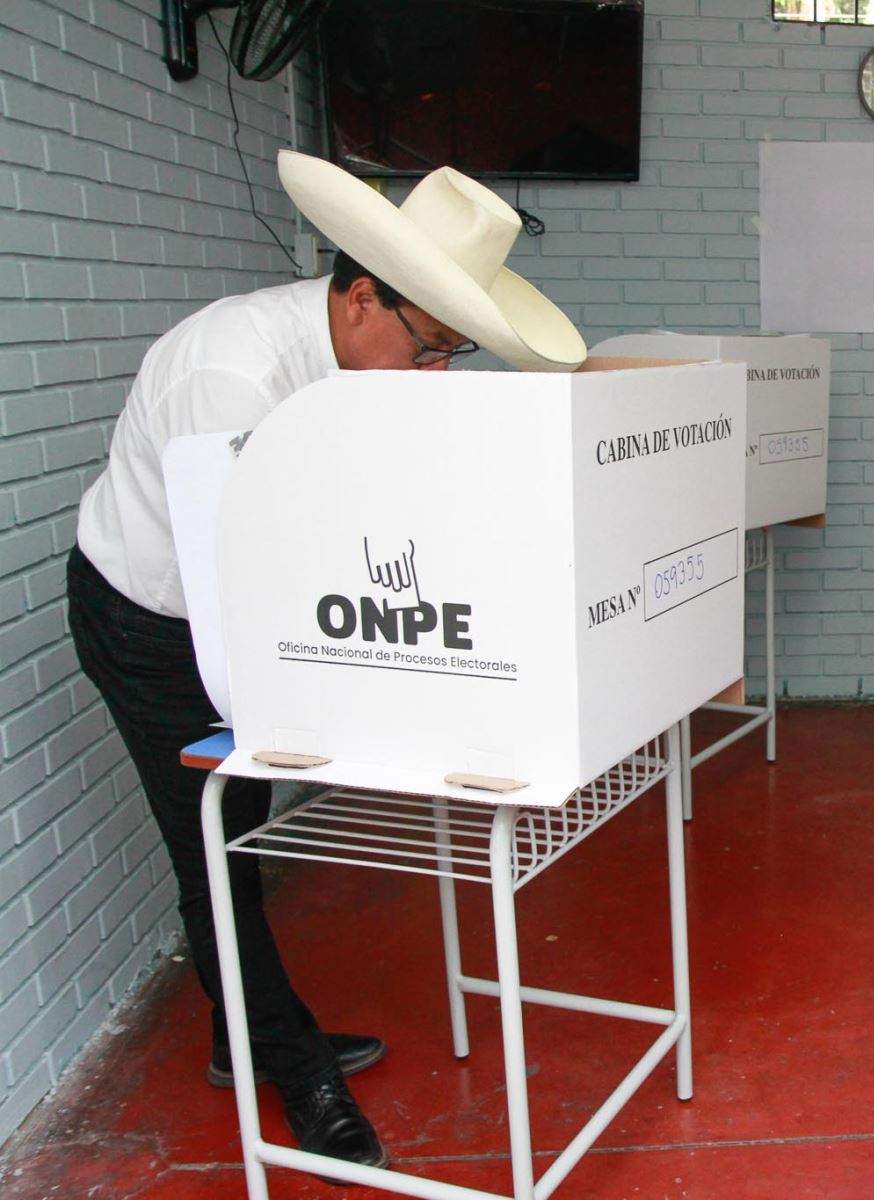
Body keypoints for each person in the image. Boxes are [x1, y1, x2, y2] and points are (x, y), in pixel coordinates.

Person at [65, 151, 585, 1172]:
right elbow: (246, 587)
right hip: (154, 622)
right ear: (359, 299)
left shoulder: (362, 365)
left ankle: (241, 1034)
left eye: (454, 356)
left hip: (242, 601)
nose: (435, 377)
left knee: (239, 840)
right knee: (213, 851)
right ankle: (298, 1070)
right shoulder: (233, 375)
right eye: (428, 349)